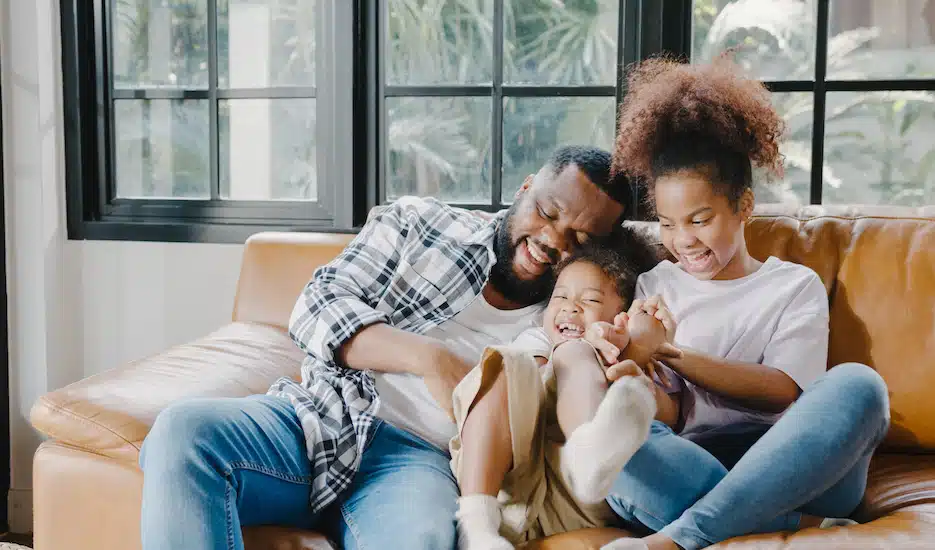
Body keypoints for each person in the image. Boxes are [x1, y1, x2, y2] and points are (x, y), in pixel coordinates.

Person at [138, 145, 659, 550]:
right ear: (525, 189)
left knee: (418, 541)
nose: (553, 240)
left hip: (420, 460)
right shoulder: (419, 225)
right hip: (320, 417)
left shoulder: (571, 310)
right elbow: (317, 304)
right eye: (547, 212)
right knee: (183, 433)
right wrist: (428, 358)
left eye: (581, 238)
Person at [592, 57, 891, 550]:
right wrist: (633, 368)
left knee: (859, 385)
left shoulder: (794, 286)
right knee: (615, 441)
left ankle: (678, 537)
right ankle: (790, 524)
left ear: (744, 207)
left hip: (801, 464)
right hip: (697, 461)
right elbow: (669, 416)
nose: (682, 240)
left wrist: (670, 352)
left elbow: (780, 393)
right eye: (667, 223)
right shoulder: (654, 284)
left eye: (700, 219)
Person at [450, 238, 681, 550]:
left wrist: (633, 361)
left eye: (591, 301)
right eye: (560, 296)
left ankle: (591, 456)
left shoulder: (635, 358)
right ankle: (475, 527)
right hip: (509, 480)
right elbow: (528, 386)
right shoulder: (537, 340)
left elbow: (671, 417)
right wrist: (585, 351)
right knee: (510, 362)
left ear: (621, 316)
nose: (570, 307)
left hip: (575, 499)